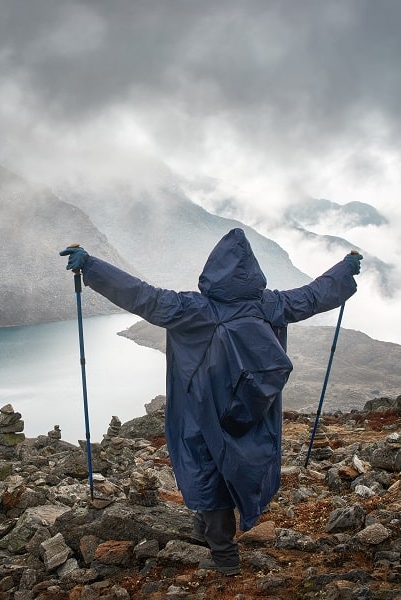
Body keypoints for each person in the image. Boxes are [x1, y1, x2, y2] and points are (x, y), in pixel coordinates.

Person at [60, 228, 361, 575]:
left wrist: (92, 268)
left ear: (212, 272)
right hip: (252, 408)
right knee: (240, 460)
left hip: (202, 409)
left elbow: (142, 297)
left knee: (206, 468)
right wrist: (345, 269)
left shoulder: (193, 309)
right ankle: (206, 528)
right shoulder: (272, 304)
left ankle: (225, 559)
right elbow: (314, 295)